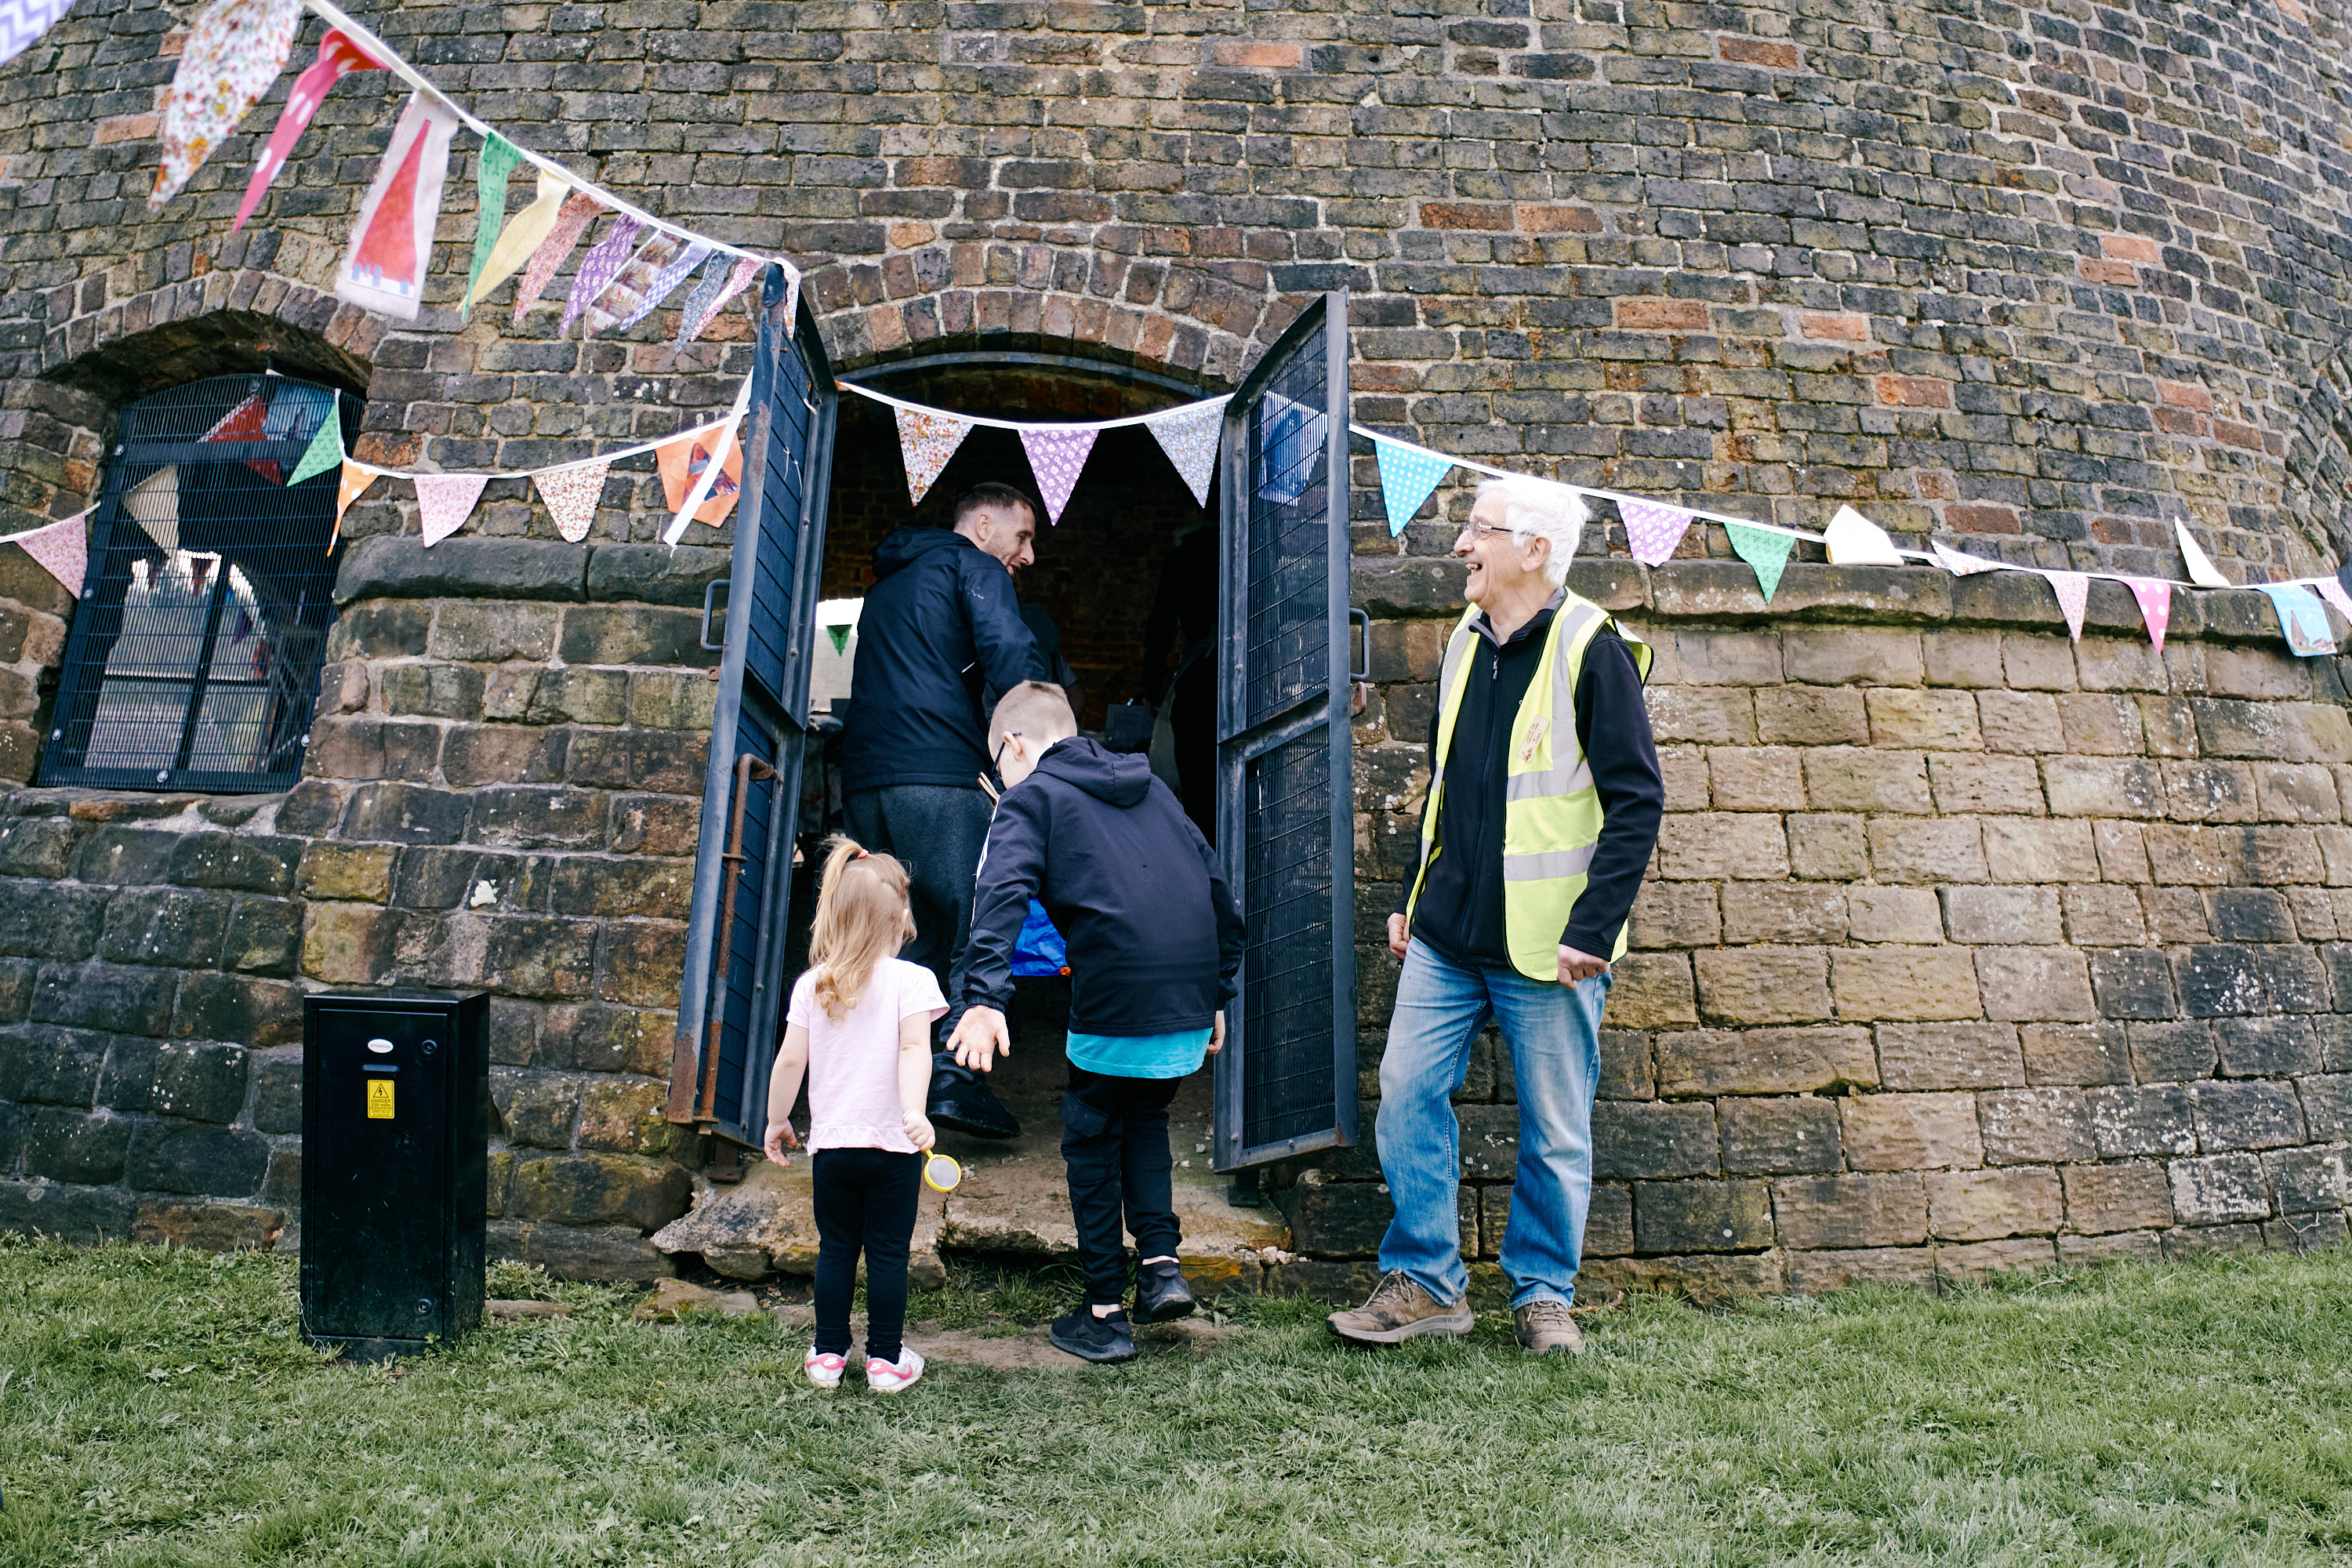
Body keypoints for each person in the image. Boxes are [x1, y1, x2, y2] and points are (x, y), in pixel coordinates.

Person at [1327, 476, 1662, 1357]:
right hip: (1446, 934)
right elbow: (1445, 788)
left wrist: (1594, 928)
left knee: (1556, 1127)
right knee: (1404, 1093)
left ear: (1534, 549)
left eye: (1478, 530)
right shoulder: (1464, 643)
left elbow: (1637, 802)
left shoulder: (1596, 648)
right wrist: (1410, 895)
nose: (1462, 546)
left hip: (1552, 947)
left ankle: (1545, 1294)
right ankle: (1430, 1283)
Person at [946, 681, 1244, 1365]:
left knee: (1090, 1133)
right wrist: (1216, 992)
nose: (1001, 779)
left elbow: (1001, 893)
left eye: (999, 764)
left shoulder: (1031, 797)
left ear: (1014, 744)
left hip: (1118, 989)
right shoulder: (1154, 789)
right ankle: (1162, 1267)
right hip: (1187, 993)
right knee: (1145, 1117)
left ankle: (1105, 1311)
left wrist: (984, 999)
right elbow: (1217, 889)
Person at [840, 481, 1048, 1135]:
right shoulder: (974, 565)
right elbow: (1011, 655)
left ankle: (885, 1081)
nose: (1030, 556)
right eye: (1024, 537)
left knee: (904, 934)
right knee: (976, 914)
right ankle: (957, 1077)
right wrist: (1039, 740)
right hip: (939, 777)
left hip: (868, 784)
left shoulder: (888, 585)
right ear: (983, 525)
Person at [763, 837, 944, 1393]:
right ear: (901, 918)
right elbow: (915, 1049)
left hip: (834, 1148)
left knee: (837, 1248)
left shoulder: (814, 984)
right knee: (889, 1251)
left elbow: (791, 1057)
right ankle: (886, 1361)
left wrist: (776, 1121)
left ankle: (826, 1354)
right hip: (894, 1147)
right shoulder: (912, 982)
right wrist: (914, 1111)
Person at [1140, 520, 1217, 842]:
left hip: (1199, 683)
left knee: (1198, 793)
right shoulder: (1251, 547)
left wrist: (1152, 683)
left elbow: (1161, 625)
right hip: (1236, 679)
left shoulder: (1185, 555)